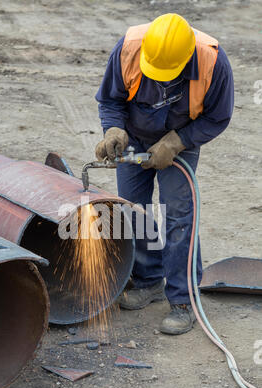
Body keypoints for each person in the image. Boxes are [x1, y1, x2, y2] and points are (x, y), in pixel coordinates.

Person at [95, 13, 234, 335]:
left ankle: (183, 300)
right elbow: (110, 98)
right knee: (132, 209)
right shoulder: (129, 47)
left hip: (180, 141)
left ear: (187, 58)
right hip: (135, 135)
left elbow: (217, 117)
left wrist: (176, 142)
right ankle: (148, 279)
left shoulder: (213, 61)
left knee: (178, 216)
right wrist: (113, 128)